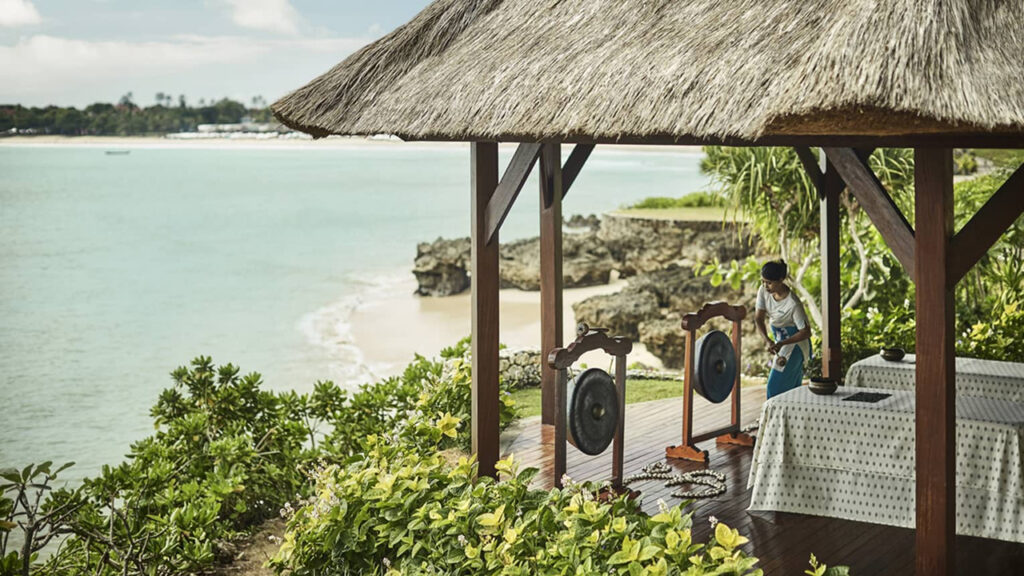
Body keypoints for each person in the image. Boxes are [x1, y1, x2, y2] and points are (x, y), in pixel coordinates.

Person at [754, 259, 811, 398]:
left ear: (781, 280)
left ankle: (771, 413)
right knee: (792, 390)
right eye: (763, 281)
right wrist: (768, 340)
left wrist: (782, 343)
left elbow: (806, 332)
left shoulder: (793, 304)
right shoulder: (763, 291)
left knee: (774, 387)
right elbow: (758, 318)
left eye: (769, 282)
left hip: (795, 345)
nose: (765, 286)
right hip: (781, 342)